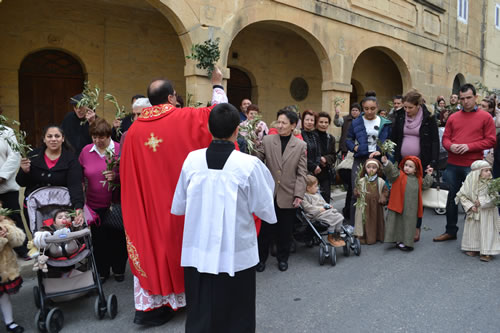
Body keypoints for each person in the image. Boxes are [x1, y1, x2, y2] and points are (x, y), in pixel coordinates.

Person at [120, 68, 227, 326]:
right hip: (184, 206)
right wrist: (217, 85)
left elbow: (127, 175)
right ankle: (188, 299)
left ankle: (157, 307)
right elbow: (221, 116)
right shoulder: (187, 117)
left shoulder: (133, 132)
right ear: (171, 97)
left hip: (150, 207)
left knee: (154, 246)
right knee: (183, 246)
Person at [171, 103, 276, 333]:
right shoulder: (248, 165)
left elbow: (179, 206)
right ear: (237, 130)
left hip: (198, 250)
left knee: (201, 310)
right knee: (237, 313)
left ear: (209, 129)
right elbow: (266, 209)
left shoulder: (192, 160)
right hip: (235, 250)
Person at [434, 84, 496, 242]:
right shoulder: (453, 117)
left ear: (476, 98)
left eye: (469, 98)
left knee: (476, 200)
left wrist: (469, 146)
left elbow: (491, 140)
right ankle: (450, 230)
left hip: (474, 166)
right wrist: (451, 146)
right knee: (451, 199)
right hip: (453, 164)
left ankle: (478, 236)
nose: (465, 101)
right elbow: (445, 138)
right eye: (462, 99)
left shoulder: (486, 117)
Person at [254, 109, 307, 272]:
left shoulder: (300, 145)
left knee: (285, 231)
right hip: (268, 194)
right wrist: (254, 144)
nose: (280, 125)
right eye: (278, 122)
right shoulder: (268, 140)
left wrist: (299, 194)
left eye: (284, 123)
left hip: (288, 194)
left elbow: (302, 172)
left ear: (293, 125)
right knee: (264, 231)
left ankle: (283, 259)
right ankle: (260, 259)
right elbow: (256, 160)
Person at [79, 119, 127, 283]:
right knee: (99, 241)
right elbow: (80, 175)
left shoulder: (120, 150)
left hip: (116, 204)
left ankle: (119, 268)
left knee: (118, 238)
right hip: (94, 205)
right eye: (94, 137)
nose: (98, 141)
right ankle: (102, 270)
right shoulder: (86, 151)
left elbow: (131, 173)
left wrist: (117, 176)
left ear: (109, 136)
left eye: (102, 138)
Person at [391, 90, 439, 242]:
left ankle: (416, 227)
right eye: (405, 107)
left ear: (418, 105)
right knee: (401, 195)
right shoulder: (399, 116)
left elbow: (434, 141)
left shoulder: (428, 118)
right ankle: (401, 227)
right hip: (402, 162)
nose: (406, 110)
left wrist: (433, 163)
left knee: (417, 198)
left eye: (410, 107)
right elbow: (394, 137)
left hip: (420, 163)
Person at [16, 126, 84, 226]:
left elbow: (75, 186)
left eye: (57, 136)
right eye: (49, 136)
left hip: (63, 209)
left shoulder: (71, 159)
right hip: (36, 208)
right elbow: (21, 182)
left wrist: (78, 208)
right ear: (44, 139)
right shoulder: (33, 156)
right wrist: (24, 171)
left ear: (63, 138)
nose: (53, 139)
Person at [346, 96, 391, 226]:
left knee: (376, 192)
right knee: (357, 191)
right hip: (360, 159)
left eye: (372, 108)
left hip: (376, 160)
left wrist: (382, 151)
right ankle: (355, 226)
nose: (369, 112)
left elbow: (389, 141)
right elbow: (348, 139)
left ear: (377, 107)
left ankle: (375, 226)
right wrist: (354, 147)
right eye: (366, 109)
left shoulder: (385, 123)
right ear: (362, 108)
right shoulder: (356, 122)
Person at [378, 154, 433, 251]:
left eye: (410, 166)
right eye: (406, 165)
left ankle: (407, 243)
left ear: (416, 170)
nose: (407, 168)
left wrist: (429, 175)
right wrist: (386, 162)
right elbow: (391, 172)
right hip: (398, 203)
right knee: (397, 221)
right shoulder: (399, 175)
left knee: (408, 223)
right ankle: (397, 239)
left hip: (411, 207)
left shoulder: (418, 179)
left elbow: (425, 185)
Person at [455, 160, 500, 262]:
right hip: (474, 212)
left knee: (487, 231)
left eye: (489, 170)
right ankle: (473, 248)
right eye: (485, 171)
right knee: (473, 230)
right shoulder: (469, 184)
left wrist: (482, 201)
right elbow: (462, 196)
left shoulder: (491, 184)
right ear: (477, 173)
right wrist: (470, 206)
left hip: (487, 212)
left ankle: (487, 251)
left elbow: (495, 198)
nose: (489, 173)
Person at [0, 121, 28, 259]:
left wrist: (1, 176)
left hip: (6, 186)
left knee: (15, 218)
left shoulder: (6, 132)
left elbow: (14, 155)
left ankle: (22, 249)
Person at [0, 209, 25, 333]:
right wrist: (1, 240)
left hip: (4, 270)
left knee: (3, 297)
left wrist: (8, 232)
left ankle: (9, 322)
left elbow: (19, 240)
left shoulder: (5, 222)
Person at [353, 158, 388, 244]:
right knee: (365, 221)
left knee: (377, 220)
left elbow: (385, 190)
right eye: (369, 167)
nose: (371, 169)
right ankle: (364, 237)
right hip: (365, 206)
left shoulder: (380, 181)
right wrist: (357, 192)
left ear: (377, 169)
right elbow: (356, 190)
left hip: (377, 206)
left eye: (374, 167)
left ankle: (378, 236)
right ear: (365, 168)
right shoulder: (361, 181)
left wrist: (383, 196)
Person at [302, 175, 345, 247]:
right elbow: (308, 208)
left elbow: (323, 202)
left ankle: (337, 232)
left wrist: (327, 205)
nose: (317, 188)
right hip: (316, 214)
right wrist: (319, 209)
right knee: (332, 220)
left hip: (325, 211)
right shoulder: (305, 197)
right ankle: (331, 236)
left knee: (339, 216)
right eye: (315, 186)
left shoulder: (317, 194)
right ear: (308, 188)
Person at [315, 112, 336, 203]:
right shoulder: (311, 136)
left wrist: (326, 159)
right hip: (312, 171)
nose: (323, 125)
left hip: (325, 173)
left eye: (326, 122)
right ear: (316, 123)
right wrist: (319, 159)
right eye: (321, 122)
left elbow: (333, 156)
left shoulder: (330, 138)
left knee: (325, 198)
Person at [301, 110, 321, 176]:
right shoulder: (299, 134)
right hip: (303, 169)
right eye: (307, 120)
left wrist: (317, 165)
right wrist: (313, 166)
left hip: (315, 170)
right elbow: (302, 154)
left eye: (312, 120)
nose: (309, 122)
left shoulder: (315, 135)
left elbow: (318, 152)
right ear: (303, 121)